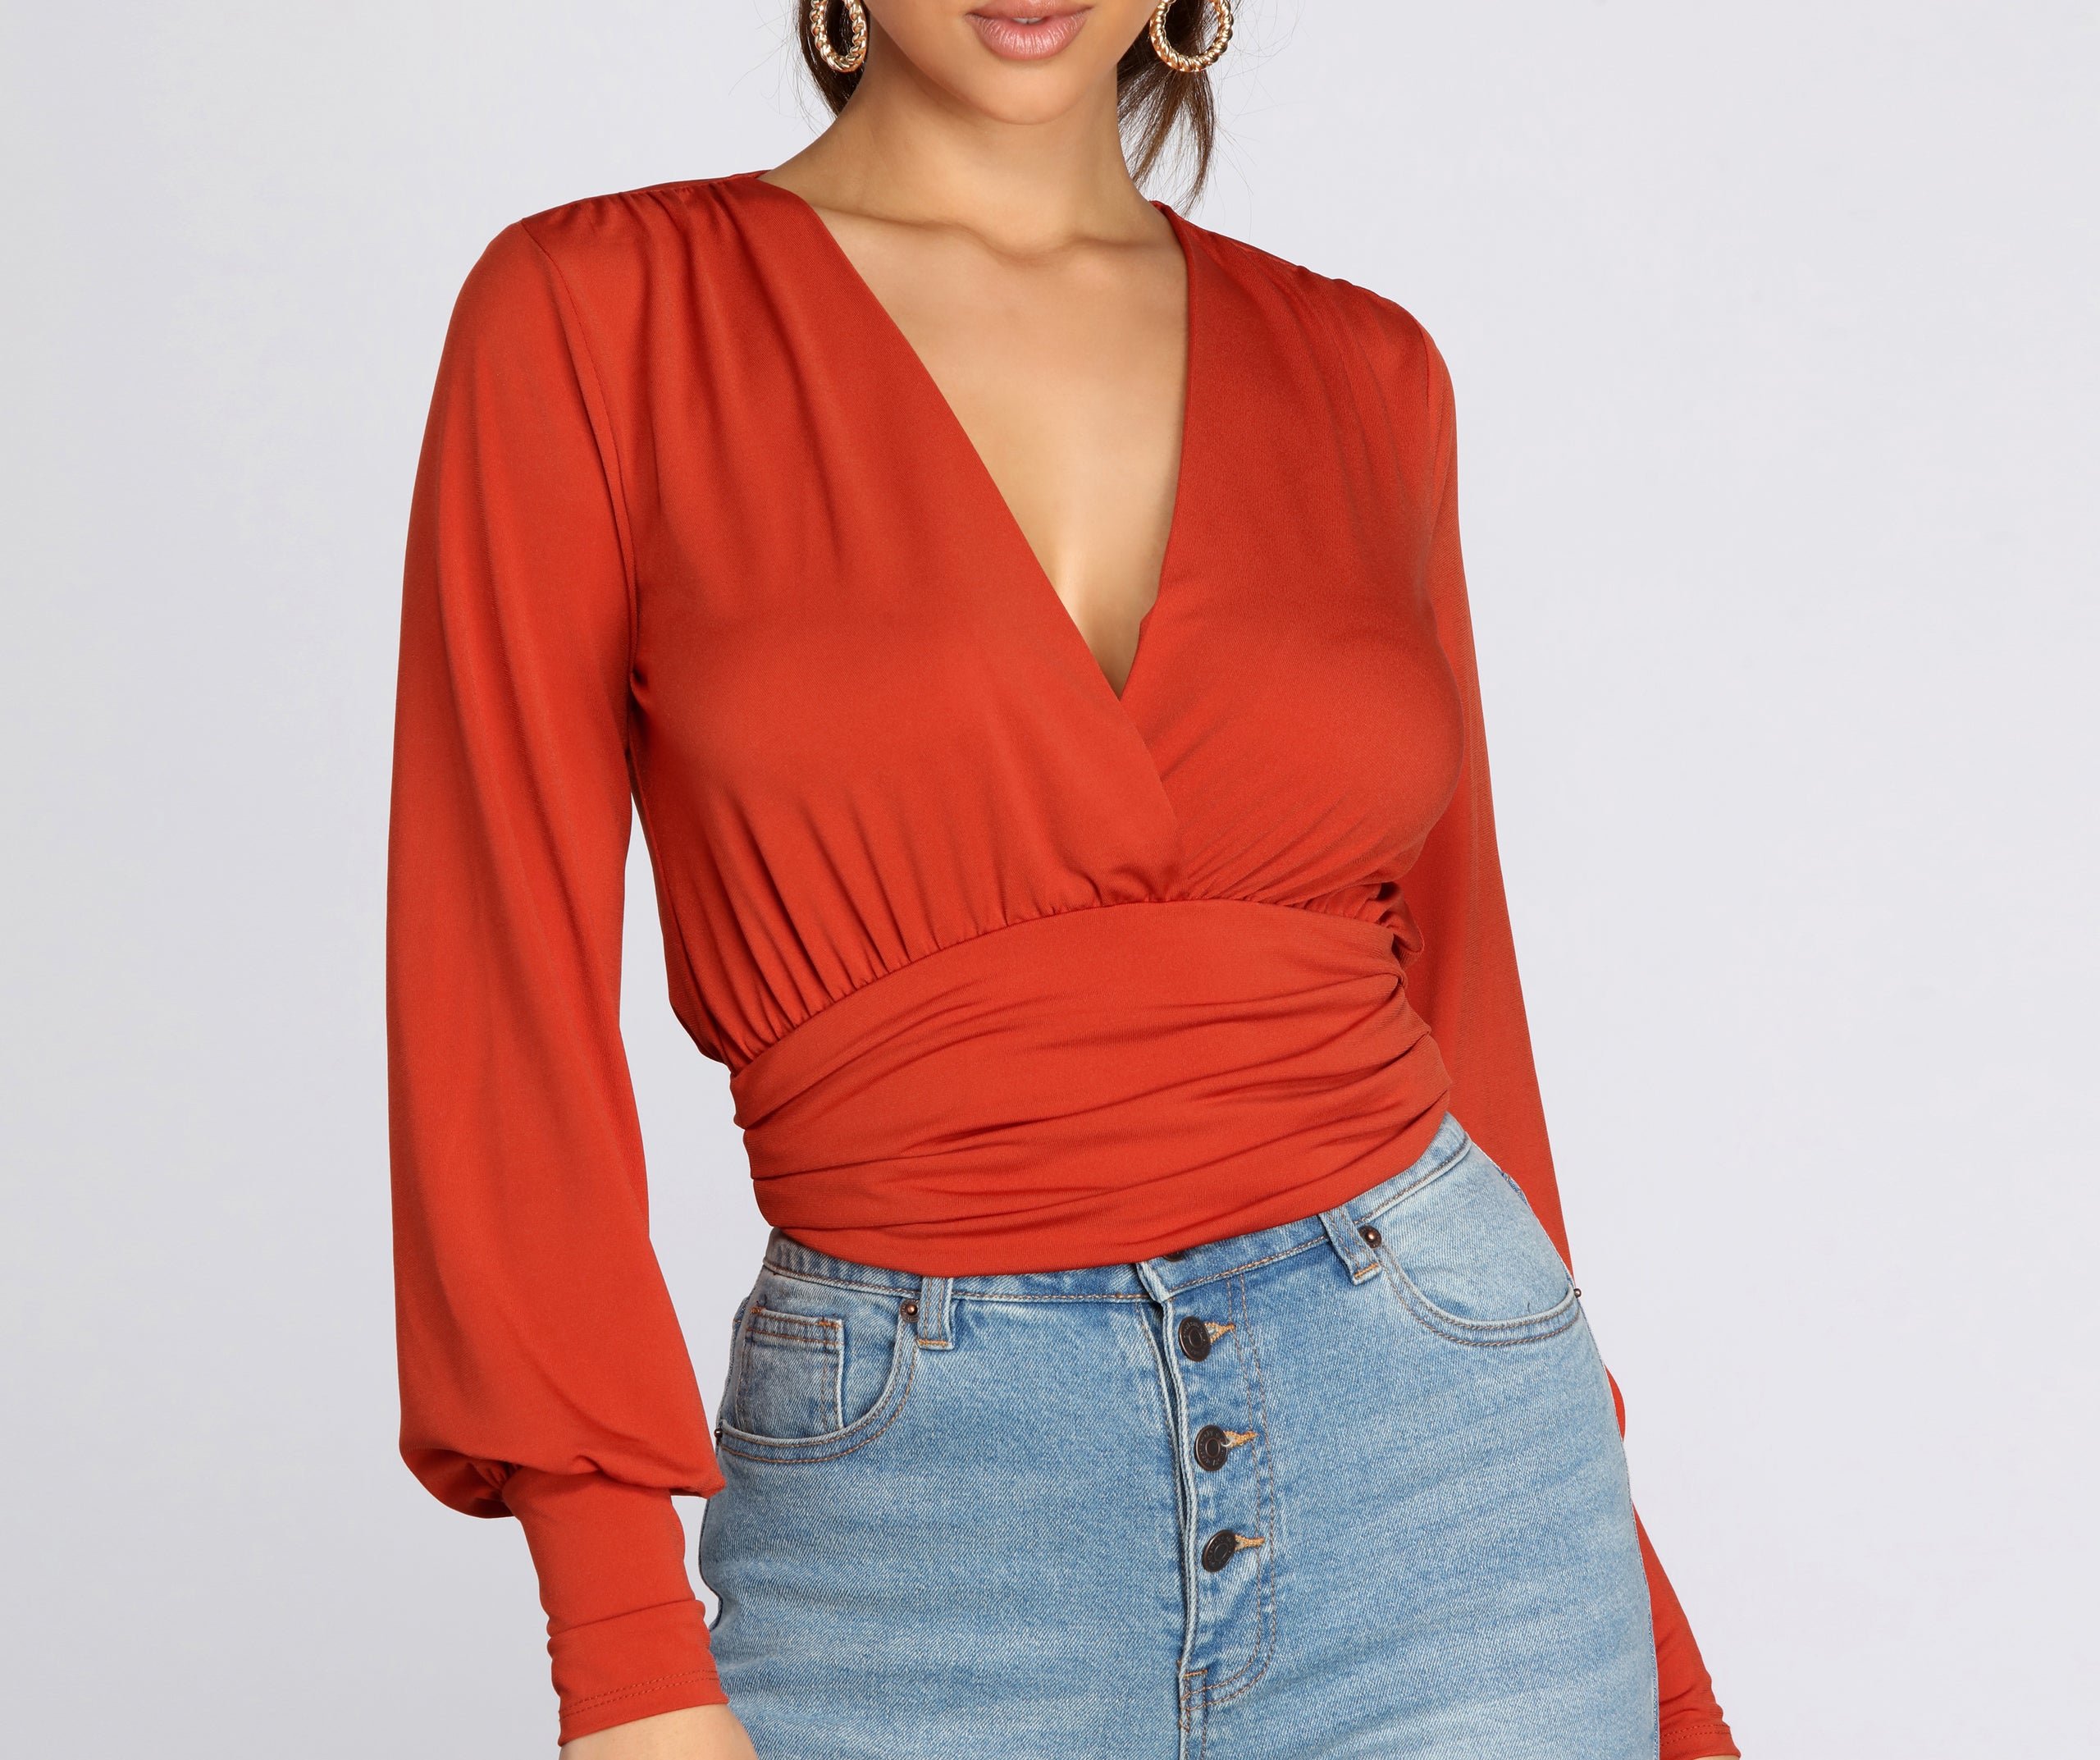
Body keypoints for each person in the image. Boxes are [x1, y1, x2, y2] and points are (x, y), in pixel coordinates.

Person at [385, 2, 1741, 1756]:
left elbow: (1456, 1004)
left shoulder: (1367, 373)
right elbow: (494, 987)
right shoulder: (599, 314)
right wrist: (619, 1644)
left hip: (1458, 1499)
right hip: (914, 1535)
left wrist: (1655, 1656)